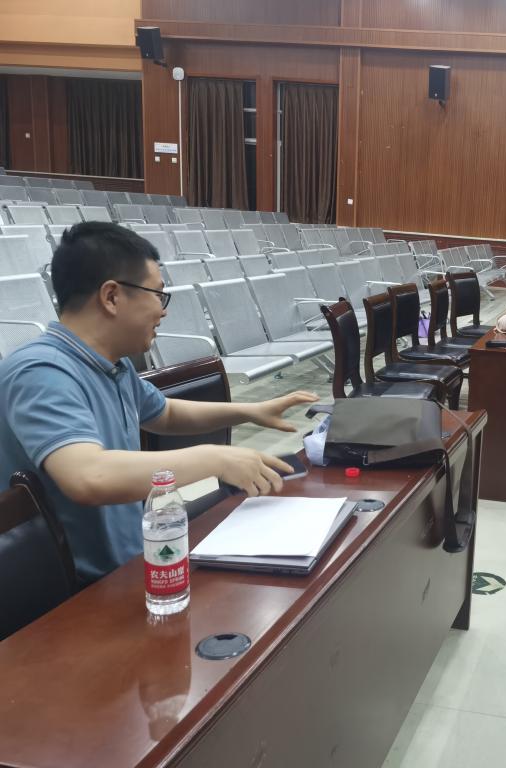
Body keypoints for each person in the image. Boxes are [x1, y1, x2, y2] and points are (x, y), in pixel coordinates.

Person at [0, 222, 318, 585]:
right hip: (74, 593)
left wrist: (250, 411)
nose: (163, 311)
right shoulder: (41, 371)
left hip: (129, 565)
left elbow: (164, 413)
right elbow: (89, 476)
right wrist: (215, 459)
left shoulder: (112, 364)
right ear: (111, 297)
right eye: (157, 295)